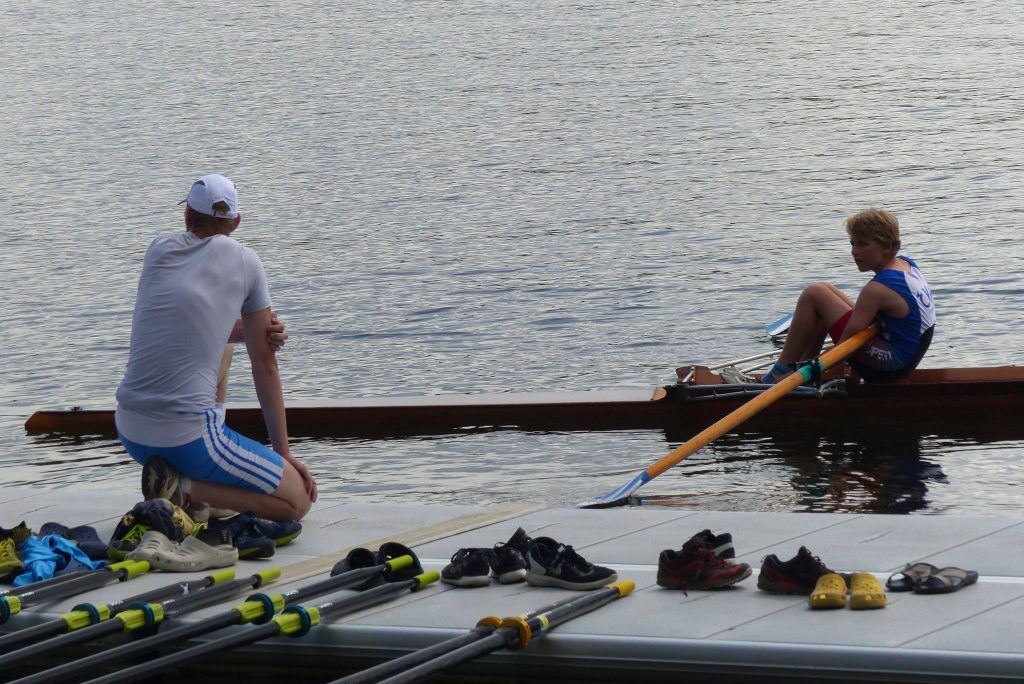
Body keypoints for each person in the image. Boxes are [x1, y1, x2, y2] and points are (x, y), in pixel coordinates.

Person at [115, 174, 317, 522]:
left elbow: (193, 325)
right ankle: (184, 488)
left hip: (131, 430)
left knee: (225, 344)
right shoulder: (245, 261)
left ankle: (188, 484)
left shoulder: (158, 250)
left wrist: (246, 333)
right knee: (296, 502)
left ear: (187, 217)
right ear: (236, 222)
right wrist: (284, 453)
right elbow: (265, 366)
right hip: (186, 439)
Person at [759, 208, 935, 384]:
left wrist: (809, 371)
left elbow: (844, 348)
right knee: (823, 291)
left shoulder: (876, 289)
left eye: (862, 244)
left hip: (892, 368)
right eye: (853, 244)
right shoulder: (907, 264)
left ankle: (779, 375)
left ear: (886, 247)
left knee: (814, 293)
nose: (854, 251)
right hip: (906, 360)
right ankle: (799, 373)